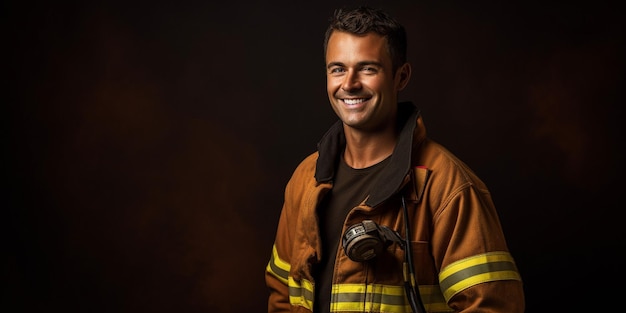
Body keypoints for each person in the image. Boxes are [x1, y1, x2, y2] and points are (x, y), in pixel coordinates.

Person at [265, 6, 525, 313]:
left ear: (401, 77)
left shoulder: (446, 187)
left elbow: (492, 307)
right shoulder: (305, 180)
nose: (349, 84)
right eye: (337, 69)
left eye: (367, 69)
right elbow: (283, 295)